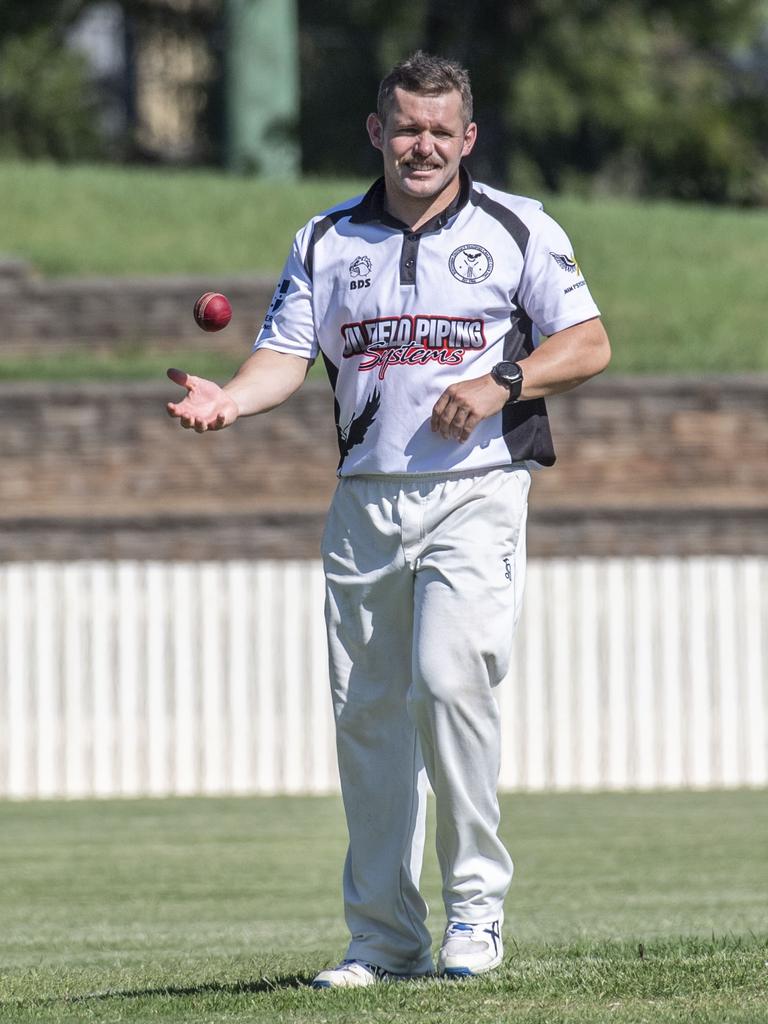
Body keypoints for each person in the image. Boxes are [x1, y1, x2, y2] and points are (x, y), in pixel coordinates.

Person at [166, 51, 611, 987]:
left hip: (477, 491)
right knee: (368, 717)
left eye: (441, 131)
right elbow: (284, 356)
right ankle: (383, 938)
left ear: (468, 138)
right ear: (378, 131)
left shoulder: (518, 228)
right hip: (366, 501)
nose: (422, 145)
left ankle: (477, 914)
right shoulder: (326, 240)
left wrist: (502, 381)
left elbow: (589, 342)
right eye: (407, 127)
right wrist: (231, 404)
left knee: (450, 685)